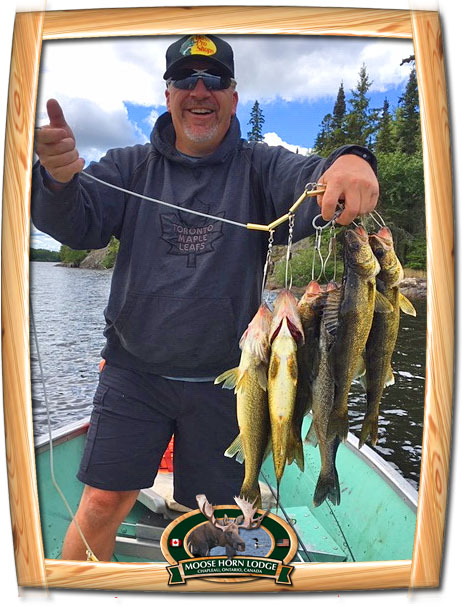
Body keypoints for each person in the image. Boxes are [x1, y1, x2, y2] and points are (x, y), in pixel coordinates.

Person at [32, 34, 379, 561]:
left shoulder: (260, 167)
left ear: (233, 97)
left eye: (214, 80)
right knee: (103, 502)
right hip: (134, 374)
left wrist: (352, 161)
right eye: (185, 80)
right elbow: (78, 223)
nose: (200, 91)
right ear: (167, 94)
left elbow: (313, 182)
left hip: (230, 383)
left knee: (219, 521)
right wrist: (56, 181)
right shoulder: (128, 167)